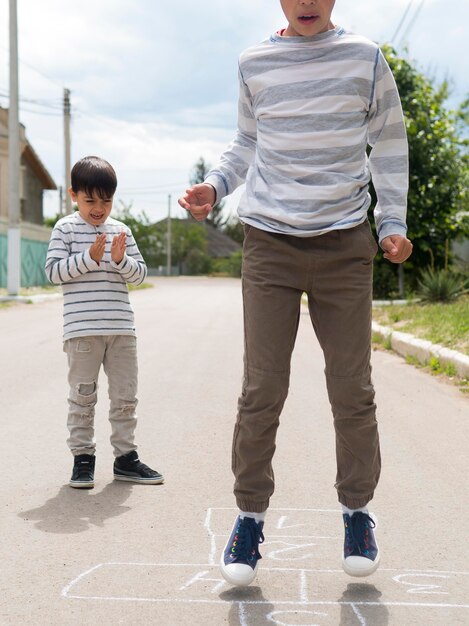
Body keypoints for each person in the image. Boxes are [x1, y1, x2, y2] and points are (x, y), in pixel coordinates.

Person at [179, 0, 412, 586]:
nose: (307, 2)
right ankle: (250, 517)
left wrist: (392, 223)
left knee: (351, 387)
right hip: (269, 244)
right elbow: (245, 144)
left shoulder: (364, 57)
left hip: (344, 244)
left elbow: (387, 142)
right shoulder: (254, 61)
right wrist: (215, 186)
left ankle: (357, 512)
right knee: (262, 388)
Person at [45, 156, 164, 489]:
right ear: (73, 195)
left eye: (106, 200)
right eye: (90, 200)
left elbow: (139, 275)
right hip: (82, 332)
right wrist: (89, 258)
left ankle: (126, 459)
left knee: (126, 397)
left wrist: (119, 259)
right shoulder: (65, 228)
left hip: (122, 330)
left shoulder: (121, 231)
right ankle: (83, 460)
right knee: (83, 398)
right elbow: (53, 272)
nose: (99, 208)